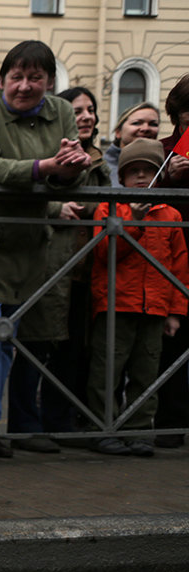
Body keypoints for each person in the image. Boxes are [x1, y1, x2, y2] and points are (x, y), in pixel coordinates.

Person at [0, 40, 91, 464]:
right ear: (4, 77)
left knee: (11, 341)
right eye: (17, 76)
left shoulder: (61, 112)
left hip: (30, 245)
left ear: (49, 82)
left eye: (36, 78)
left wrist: (70, 171)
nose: (25, 86)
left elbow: (68, 181)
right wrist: (46, 168)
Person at [7, 86, 111, 452]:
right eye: (77, 110)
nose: (86, 116)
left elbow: (111, 208)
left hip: (88, 266)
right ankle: (24, 423)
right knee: (37, 343)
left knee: (72, 349)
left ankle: (60, 420)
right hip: (47, 262)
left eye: (91, 109)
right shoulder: (47, 156)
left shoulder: (99, 163)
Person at [88, 139, 188, 456]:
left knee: (147, 374)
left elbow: (179, 268)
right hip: (116, 305)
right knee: (107, 372)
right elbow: (104, 253)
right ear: (123, 177)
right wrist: (132, 222)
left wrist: (176, 311)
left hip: (155, 308)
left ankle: (139, 430)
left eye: (148, 171)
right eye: (135, 172)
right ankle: (102, 428)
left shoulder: (170, 215)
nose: (142, 178)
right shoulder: (109, 208)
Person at [153, 74, 189, 448]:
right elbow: (146, 197)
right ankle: (170, 421)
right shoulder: (164, 151)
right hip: (171, 260)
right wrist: (170, 178)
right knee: (173, 341)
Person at [103, 102, 160, 186]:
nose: (145, 128)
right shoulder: (100, 167)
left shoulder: (165, 167)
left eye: (153, 124)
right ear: (118, 132)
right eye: (137, 123)